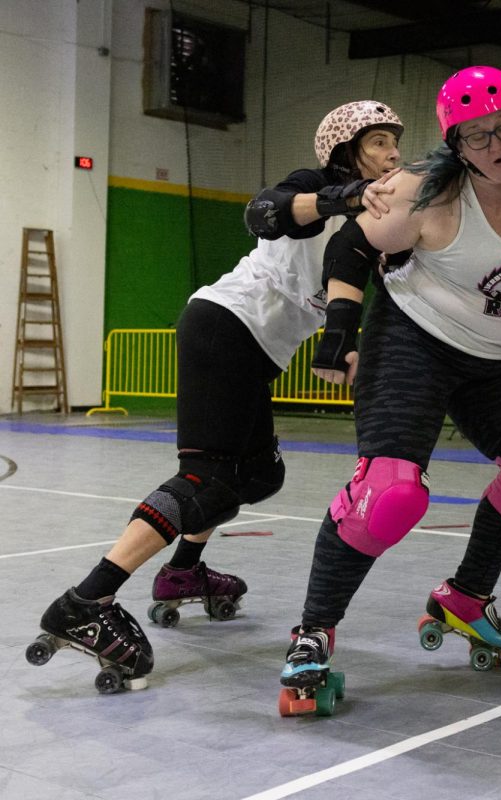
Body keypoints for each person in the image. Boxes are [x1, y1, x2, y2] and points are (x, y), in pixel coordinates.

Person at [28, 101, 404, 691]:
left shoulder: (380, 222)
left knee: (256, 475)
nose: (394, 154)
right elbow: (264, 213)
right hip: (225, 324)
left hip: (254, 351)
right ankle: (85, 601)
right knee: (207, 479)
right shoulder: (318, 189)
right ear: (345, 151)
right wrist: (344, 197)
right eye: (380, 142)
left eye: (394, 143)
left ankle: (181, 573)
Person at [278, 67, 501, 702]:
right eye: (476, 136)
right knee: (389, 496)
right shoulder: (426, 190)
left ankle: (466, 597)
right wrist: (340, 329)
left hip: (496, 360)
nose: (495, 146)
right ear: (455, 143)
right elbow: (351, 246)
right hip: (413, 344)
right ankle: (313, 632)